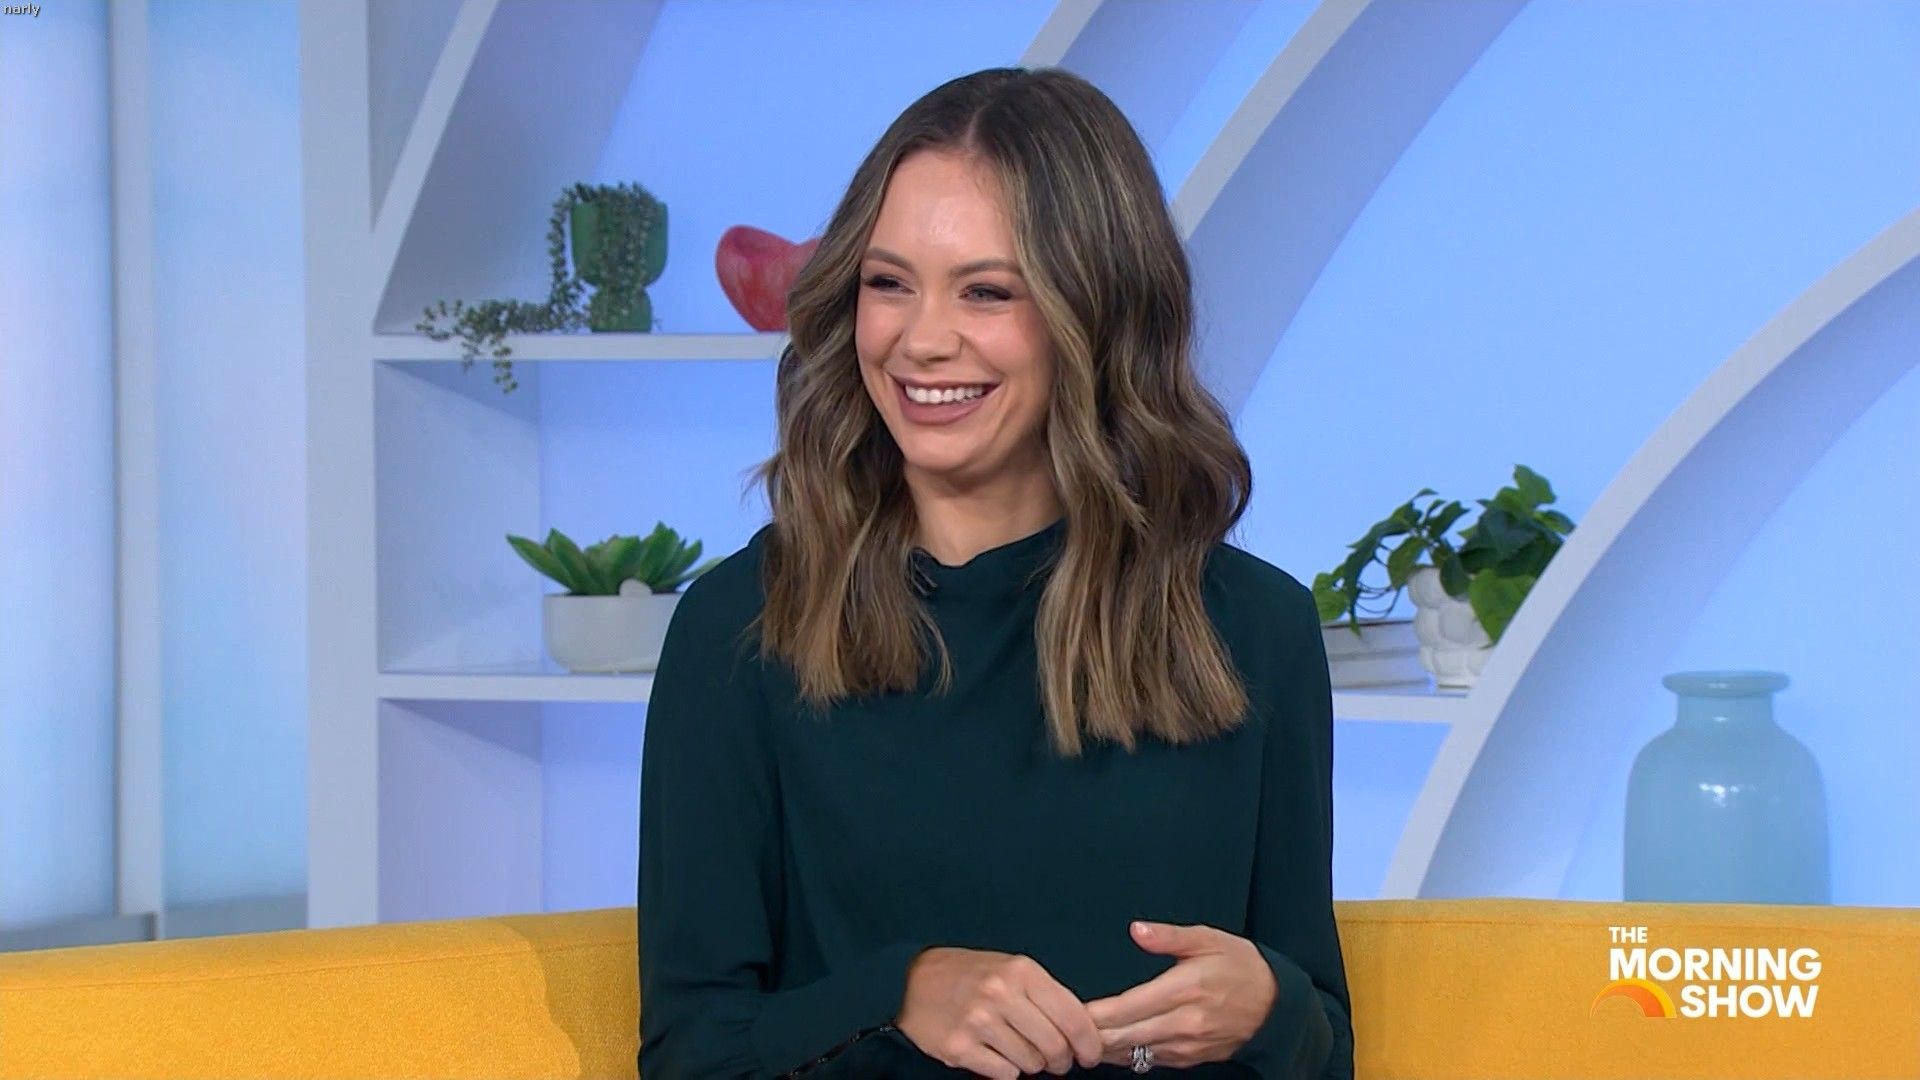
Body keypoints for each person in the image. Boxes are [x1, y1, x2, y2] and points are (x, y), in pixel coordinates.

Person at [638, 66, 1353, 1079]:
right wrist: (898, 994)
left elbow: (1327, 1043)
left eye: (987, 291)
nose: (922, 340)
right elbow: (691, 1052)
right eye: (888, 283)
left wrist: (1271, 1007)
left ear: (1095, 314)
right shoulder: (741, 626)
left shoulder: (1256, 628)